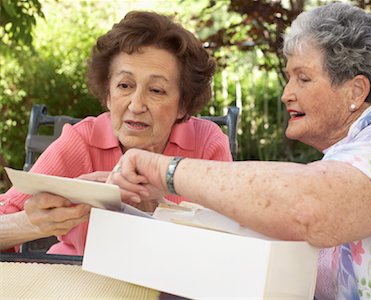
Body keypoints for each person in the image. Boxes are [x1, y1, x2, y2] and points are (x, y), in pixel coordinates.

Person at [110, 3, 371, 299]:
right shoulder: (345, 159)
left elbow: (308, 207)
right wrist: (147, 203)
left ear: (356, 91)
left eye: (302, 78)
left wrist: (165, 171)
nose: (286, 93)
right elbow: (260, 222)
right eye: (289, 78)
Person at [0, 11, 232, 255]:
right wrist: (33, 223)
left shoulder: (206, 143)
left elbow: (232, 241)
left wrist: (164, 204)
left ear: (183, 105)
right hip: (82, 279)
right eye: (124, 86)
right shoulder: (81, 141)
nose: (136, 105)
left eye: (156, 90)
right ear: (108, 94)